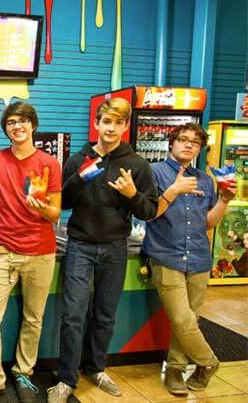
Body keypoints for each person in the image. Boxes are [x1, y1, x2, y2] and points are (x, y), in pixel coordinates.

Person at [48, 98, 158, 403]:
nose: (110, 128)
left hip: (115, 247)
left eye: (117, 123)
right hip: (80, 246)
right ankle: (67, 379)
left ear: (125, 126)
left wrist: (133, 195)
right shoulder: (79, 158)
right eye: (105, 122)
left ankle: (96, 368)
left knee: (105, 315)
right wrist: (79, 179)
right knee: (72, 315)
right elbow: (63, 203)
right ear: (96, 123)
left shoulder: (137, 165)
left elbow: (150, 211)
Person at [0, 101, 62, 403]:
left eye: (22, 121)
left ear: (33, 124)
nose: (17, 126)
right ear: (6, 128)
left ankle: (24, 374)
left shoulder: (50, 164)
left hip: (41, 252)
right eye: (11, 122)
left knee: (33, 318)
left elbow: (55, 214)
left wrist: (42, 209)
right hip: (3, 250)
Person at [141, 123, 235, 395]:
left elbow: (207, 223)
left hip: (199, 259)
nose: (188, 145)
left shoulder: (205, 180)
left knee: (189, 321)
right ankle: (208, 362)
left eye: (195, 142)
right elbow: (147, 214)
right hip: (165, 255)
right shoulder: (154, 172)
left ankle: (175, 370)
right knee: (182, 319)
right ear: (171, 143)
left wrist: (224, 202)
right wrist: (174, 190)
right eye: (183, 139)